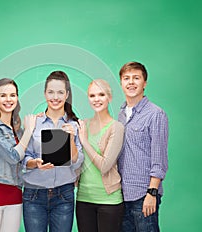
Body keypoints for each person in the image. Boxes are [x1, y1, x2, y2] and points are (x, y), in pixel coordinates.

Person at [22, 71, 84, 232]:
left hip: (64, 194)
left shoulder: (75, 125)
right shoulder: (34, 123)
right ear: (44, 93)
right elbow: (24, 157)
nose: (55, 97)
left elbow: (77, 161)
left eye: (60, 92)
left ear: (67, 95)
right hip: (34, 194)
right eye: (51, 92)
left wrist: (71, 138)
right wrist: (35, 163)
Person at [0, 78, 37, 232]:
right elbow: (13, 156)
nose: (8, 99)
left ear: (17, 98)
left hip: (15, 195)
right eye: (3, 95)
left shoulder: (17, 129)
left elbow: (24, 159)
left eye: (12, 95)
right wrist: (29, 131)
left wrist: (35, 162)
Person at [117, 62, 169, 232]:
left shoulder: (155, 114)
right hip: (122, 195)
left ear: (144, 83)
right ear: (121, 83)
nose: (131, 82)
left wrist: (152, 193)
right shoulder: (121, 114)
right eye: (127, 78)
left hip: (143, 195)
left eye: (136, 78)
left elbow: (159, 157)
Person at [76, 79, 125, 232]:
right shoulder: (83, 124)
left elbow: (105, 166)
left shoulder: (116, 127)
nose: (96, 99)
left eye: (101, 94)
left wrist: (84, 141)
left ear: (109, 98)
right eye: (92, 95)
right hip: (83, 199)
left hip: (109, 201)